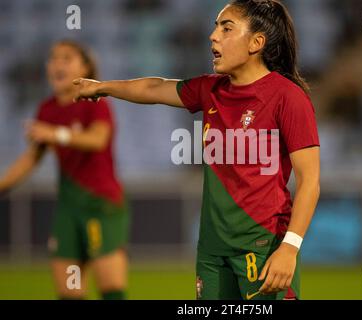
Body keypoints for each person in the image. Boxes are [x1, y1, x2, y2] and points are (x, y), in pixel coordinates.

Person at [73, 0, 320, 300]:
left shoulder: (288, 98)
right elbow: (154, 88)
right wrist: (101, 87)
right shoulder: (209, 89)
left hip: (263, 245)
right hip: (212, 252)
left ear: (257, 42)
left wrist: (289, 248)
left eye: (226, 28)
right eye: (216, 27)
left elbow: (310, 181)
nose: (213, 36)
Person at [0, 40, 130, 300]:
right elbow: (31, 159)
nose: (57, 63)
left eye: (66, 58)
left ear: (86, 67)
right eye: (53, 58)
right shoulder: (47, 109)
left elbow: (97, 140)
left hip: (100, 204)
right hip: (69, 208)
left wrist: (56, 133)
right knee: (69, 290)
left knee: (111, 289)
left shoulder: (95, 103)